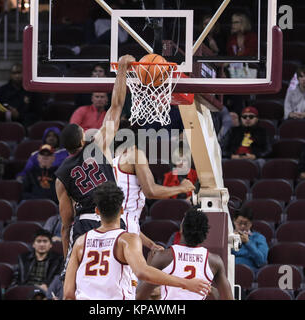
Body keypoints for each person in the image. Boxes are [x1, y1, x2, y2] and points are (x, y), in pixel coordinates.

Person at [63, 182, 211, 300]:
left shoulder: (80, 242)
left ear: (96, 211)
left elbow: (69, 293)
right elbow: (142, 272)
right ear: (121, 210)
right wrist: (186, 283)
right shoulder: (127, 239)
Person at [55, 55, 135, 273]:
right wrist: (122, 71)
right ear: (83, 139)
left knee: (79, 278)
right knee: (118, 274)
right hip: (111, 220)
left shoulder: (61, 174)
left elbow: (66, 224)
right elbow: (117, 105)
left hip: (84, 224)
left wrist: (66, 263)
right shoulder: (98, 145)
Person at [113, 122, 195, 247]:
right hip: (123, 229)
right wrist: (181, 188)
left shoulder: (113, 163)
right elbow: (151, 191)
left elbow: (129, 223)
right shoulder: (135, 154)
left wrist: (151, 245)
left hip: (115, 225)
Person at [135, 207, 234, 300]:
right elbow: (228, 298)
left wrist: (149, 265)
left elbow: (140, 296)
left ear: (182, 229)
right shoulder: (215, 261)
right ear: (204, 234)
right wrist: (212, 290)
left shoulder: (163, 257)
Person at [231, 207, 268, 272]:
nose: (242, 226)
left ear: (250, 224)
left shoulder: (259, 238)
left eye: (246, 224)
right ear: (234, 221)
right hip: (231, 272)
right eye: (239, 223)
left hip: (251, 273)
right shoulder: (228, 237)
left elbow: (261, 262)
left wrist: (248, 243)